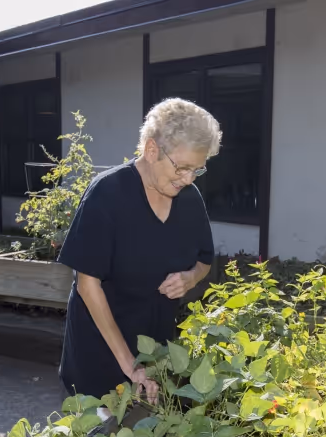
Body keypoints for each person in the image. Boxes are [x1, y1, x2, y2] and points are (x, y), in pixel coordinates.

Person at [57, 98, 220, 411]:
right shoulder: (107, 194)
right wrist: (129, 364)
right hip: (102, 354)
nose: (187, 179)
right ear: (151, 150)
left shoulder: (189, 199)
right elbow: (87, 286)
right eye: (182, 167)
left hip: (156, 354)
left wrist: (189, 278)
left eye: (196, 170)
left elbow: (203, 260)